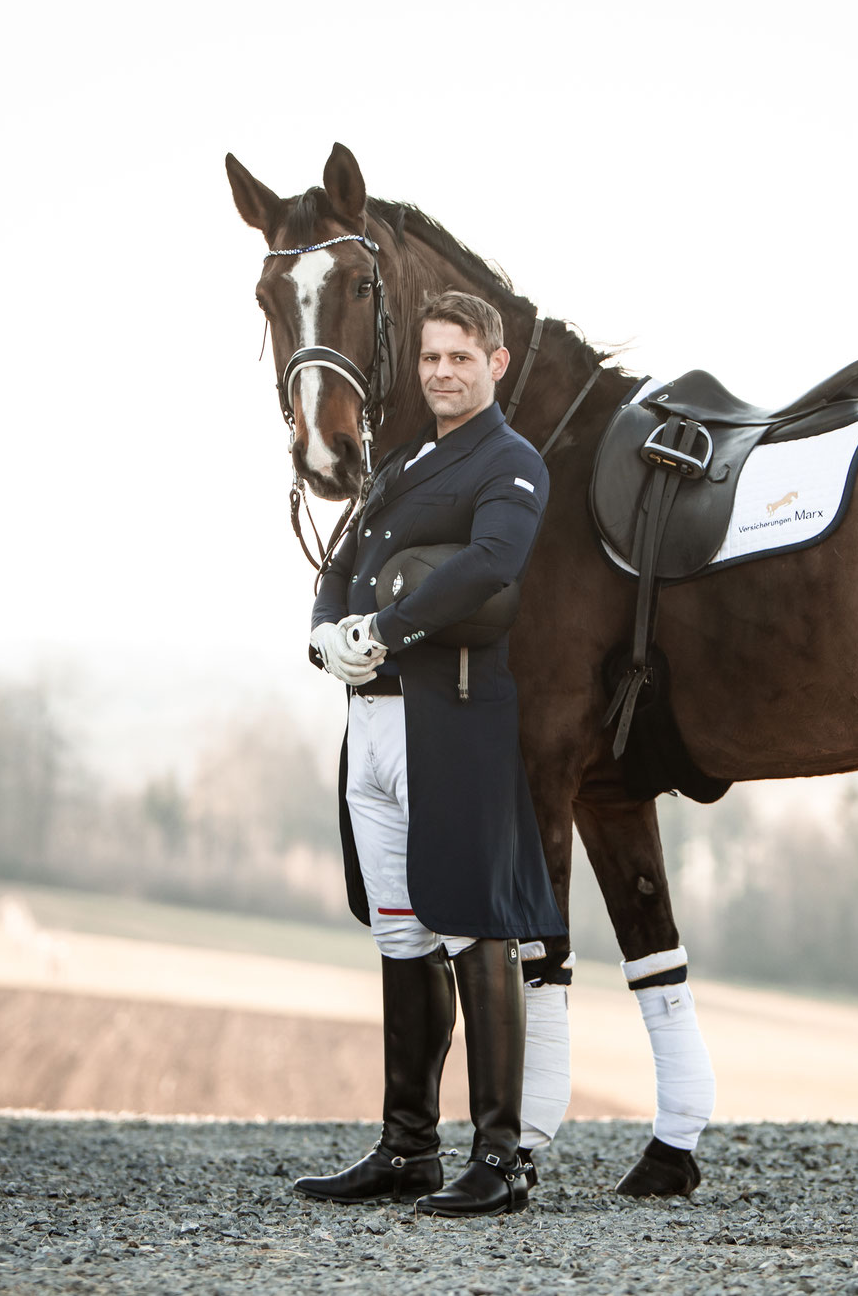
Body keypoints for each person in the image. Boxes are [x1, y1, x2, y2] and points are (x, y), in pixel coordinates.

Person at [296, 290, 565, 1217]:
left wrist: (391, 625)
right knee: (400, 931)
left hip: (446, 721)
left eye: (460, 356)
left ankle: (503, 1161)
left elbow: (490, 563)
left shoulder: (512, 464)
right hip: (369, 722)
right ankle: (408, 1146)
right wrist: (327, 626)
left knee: (476, 924)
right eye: (429, 358)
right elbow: (343, 554)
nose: (442, 372)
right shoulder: (404, 457)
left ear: (494, 362)